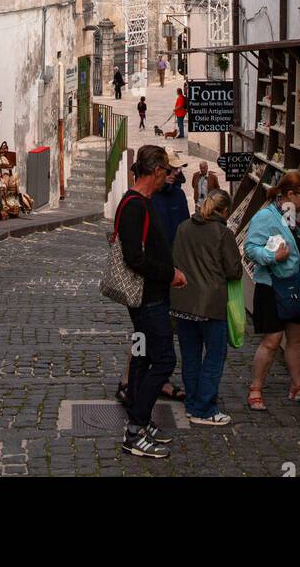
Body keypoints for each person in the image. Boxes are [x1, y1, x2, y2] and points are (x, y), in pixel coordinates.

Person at [117, 144, 187, 459]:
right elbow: (135, 258)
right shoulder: (135, 204)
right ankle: (135, 429)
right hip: (149, 300)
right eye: (167, 171)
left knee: (144, 360)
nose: (169, 177)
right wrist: (169, 274)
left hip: (149, 298)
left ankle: (139, 425)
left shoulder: (141, 202)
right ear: (156, 171)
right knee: (163, 362)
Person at [244, 170, 300, 409]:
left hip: (298, 284)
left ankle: (297, 386)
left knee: (296, 338)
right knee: (273, 339)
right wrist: (272, 255)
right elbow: (250, 248)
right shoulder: (266, 216)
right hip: (273, 286)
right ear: (289, 193)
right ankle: (255, 388)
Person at [171, 188, 243, 426]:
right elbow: (234, 271)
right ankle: (204, 408)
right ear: (223, 211)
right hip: (210, 304)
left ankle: (193, 403)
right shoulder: (222, 233)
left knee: (190, 355)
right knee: (214, 355)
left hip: (183, 301)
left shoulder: (183, 228)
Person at [151, 155, 190, 246]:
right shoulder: (149, 195)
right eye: (172, 168)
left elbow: (186, 225)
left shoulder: (179, 194)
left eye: (178, 169)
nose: (176, 173)